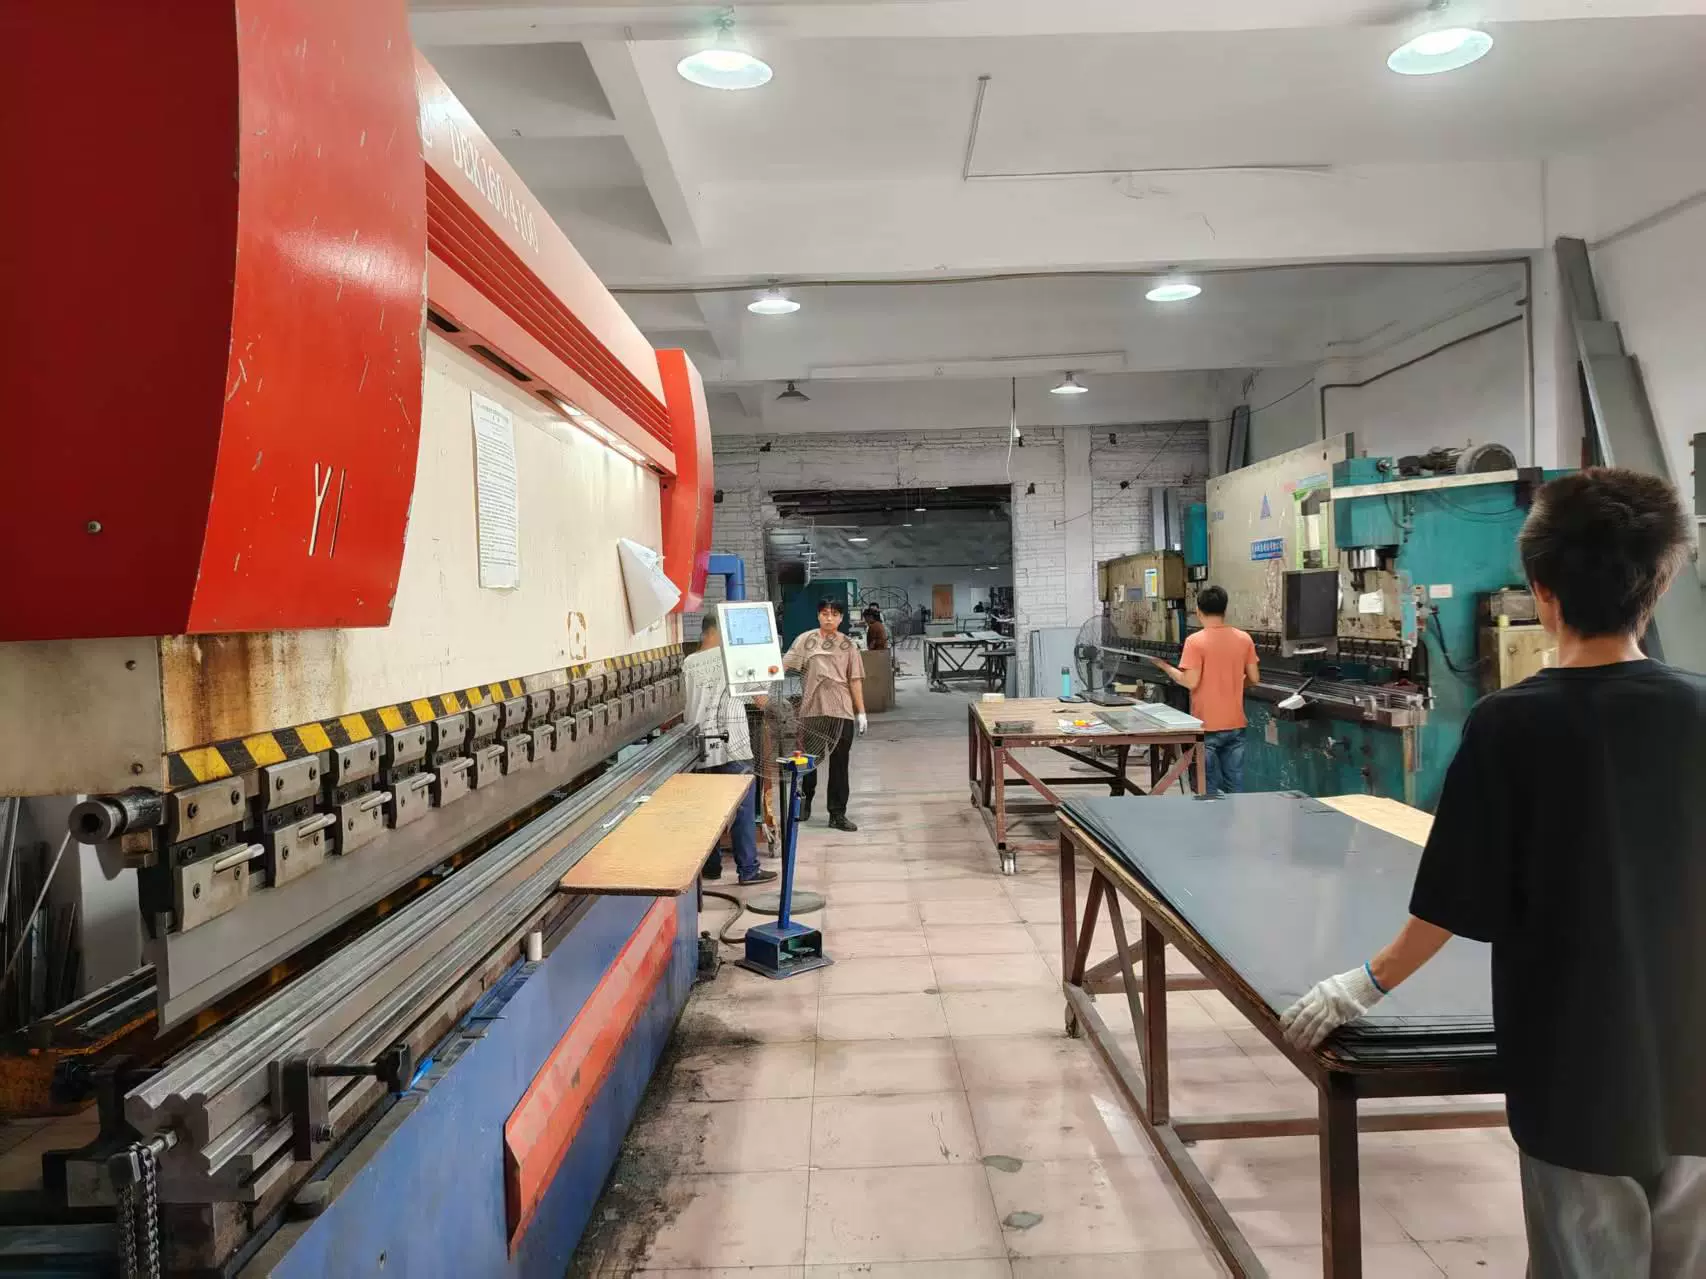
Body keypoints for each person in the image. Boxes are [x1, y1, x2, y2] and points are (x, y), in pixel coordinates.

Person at [1279, 468, 1706, 1279]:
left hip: (1575, 1075)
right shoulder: (1700, 712)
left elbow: (1451, 899)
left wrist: (1362, 984)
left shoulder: (1510, 724)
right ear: (1659, 582)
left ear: (1541, 590)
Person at [683, 614, 776, 886]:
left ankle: (711, 868)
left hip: (699, 746)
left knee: (707, 810)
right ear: (720, 631)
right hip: (733, 744)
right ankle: (748, 869)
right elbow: (760, 701)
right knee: (742, 809)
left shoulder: (688, 663)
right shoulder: (733, 659)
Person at [1145, 585, 1260, 794]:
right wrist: (1231, 684)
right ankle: (1237, 816)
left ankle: (1214, 816)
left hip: (1207, 727)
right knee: (1235, 785)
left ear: (1198, 611)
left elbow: (1190, 682)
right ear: (1225, 609)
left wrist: (1164, 667)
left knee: (1208, 788)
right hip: (1236, 725)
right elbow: (1254, 678)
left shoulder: (1195, 641)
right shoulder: (1244, 639)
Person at [783, 597, 866, 831]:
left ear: (841, 618)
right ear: (818, 615)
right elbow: (785, 665)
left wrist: (861, 712)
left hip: (841, 711)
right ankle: (805, 802)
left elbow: (855, 680)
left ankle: (837, 814)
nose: (829, 618)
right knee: (810, 760)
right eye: (825, 613)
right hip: (813, 709)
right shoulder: (805, 640)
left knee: (840, 763)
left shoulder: (848, 645)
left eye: (834, 614)